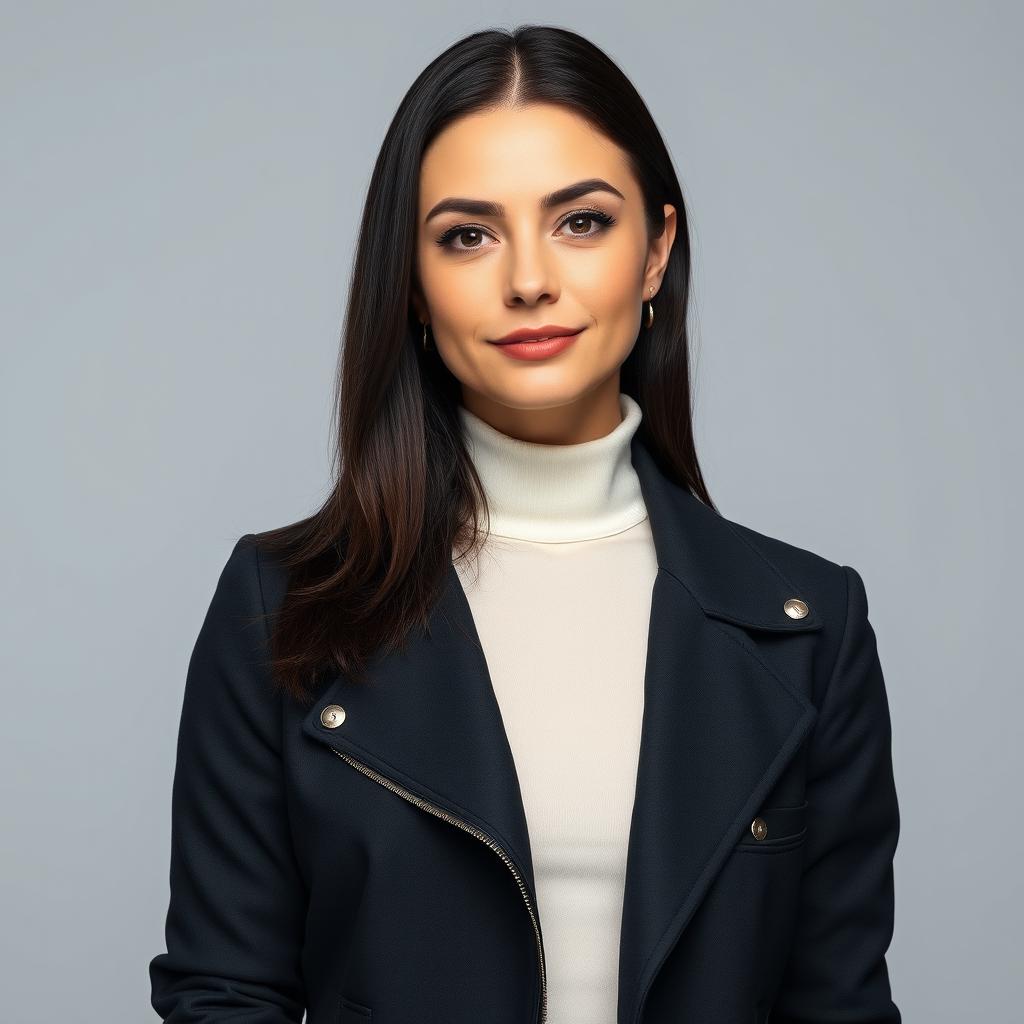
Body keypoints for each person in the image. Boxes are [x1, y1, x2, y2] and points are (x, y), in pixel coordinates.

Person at [149, 24, 901, 1024]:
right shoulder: (280, 608)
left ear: (656, 251)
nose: (529, 279)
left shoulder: (808, 627)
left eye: (581, 222)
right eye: (468, 234)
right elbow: (224, 992)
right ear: (412, 285)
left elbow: (838, 1007)